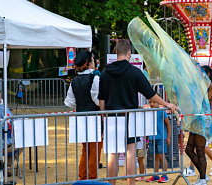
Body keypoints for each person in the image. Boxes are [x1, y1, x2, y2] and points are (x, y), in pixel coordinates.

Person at [98, 40, 176, 185]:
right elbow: (150, 94)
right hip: (129, 116)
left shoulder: (105, 72)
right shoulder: (134, 72)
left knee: (112, 154)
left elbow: (101, 100)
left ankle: (111, 184)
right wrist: (166, 103)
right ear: (129, 53)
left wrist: (103, 116)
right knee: (130, 152)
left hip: (111, 117)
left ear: (116, 53)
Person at [64, 50, 102, 180]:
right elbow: (97, 99)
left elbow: (69, 102)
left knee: (86, 150)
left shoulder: (75, 81)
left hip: (81, 117)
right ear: (89, 63)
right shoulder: (95, 78)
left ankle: (82, 177)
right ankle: (92, 178)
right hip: (94, 118)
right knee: (95, 150)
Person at [184, 66, 212, 185]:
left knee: (200, 150)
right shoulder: (197, 86)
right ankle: (203, 175)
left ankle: (203, 179)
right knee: (188, 150)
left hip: (203, 121)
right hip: (196, 119)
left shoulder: (209, 86)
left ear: (208, 74)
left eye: (203, 72)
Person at [145, 109, 171, 183]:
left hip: (161, 138)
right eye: (150, 102)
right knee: (155, 158)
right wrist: (147, 140)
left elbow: (168, 125)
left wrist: (168, 137)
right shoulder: (149, 113)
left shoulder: (162, 112)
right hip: (152, 139)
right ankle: (156, 175)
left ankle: (165, 175)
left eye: (154, 102)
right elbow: (148, 127)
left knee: (162, 157)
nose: (152, 104)